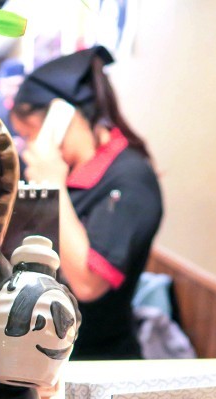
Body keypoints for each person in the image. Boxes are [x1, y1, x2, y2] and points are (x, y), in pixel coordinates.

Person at [8, 45, 163, 360]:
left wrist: (52, 185)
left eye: (31, 134)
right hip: (39, 355)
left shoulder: (131, 179)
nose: (28, 148)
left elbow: (88, 285)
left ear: (60, 119)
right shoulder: (67, 171)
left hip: (96, 361)